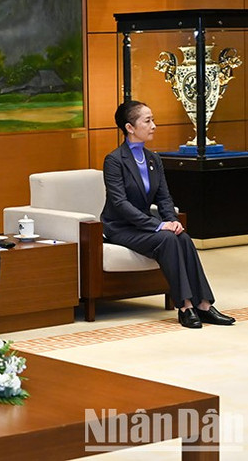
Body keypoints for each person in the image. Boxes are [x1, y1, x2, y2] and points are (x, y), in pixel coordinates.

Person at [101, 100, 235, 329]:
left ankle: (203, 304)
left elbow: (163, 197)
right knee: (167, 239)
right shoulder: (114, 161)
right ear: (130, 127)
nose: (153, 125)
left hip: (143, 225)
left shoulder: (154, 159)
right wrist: (157, 226)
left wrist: (171, 221)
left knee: (182, 236)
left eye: (153, 119)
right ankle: (184, 307)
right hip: (120, 228)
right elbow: (120, 203)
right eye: (147, 120)